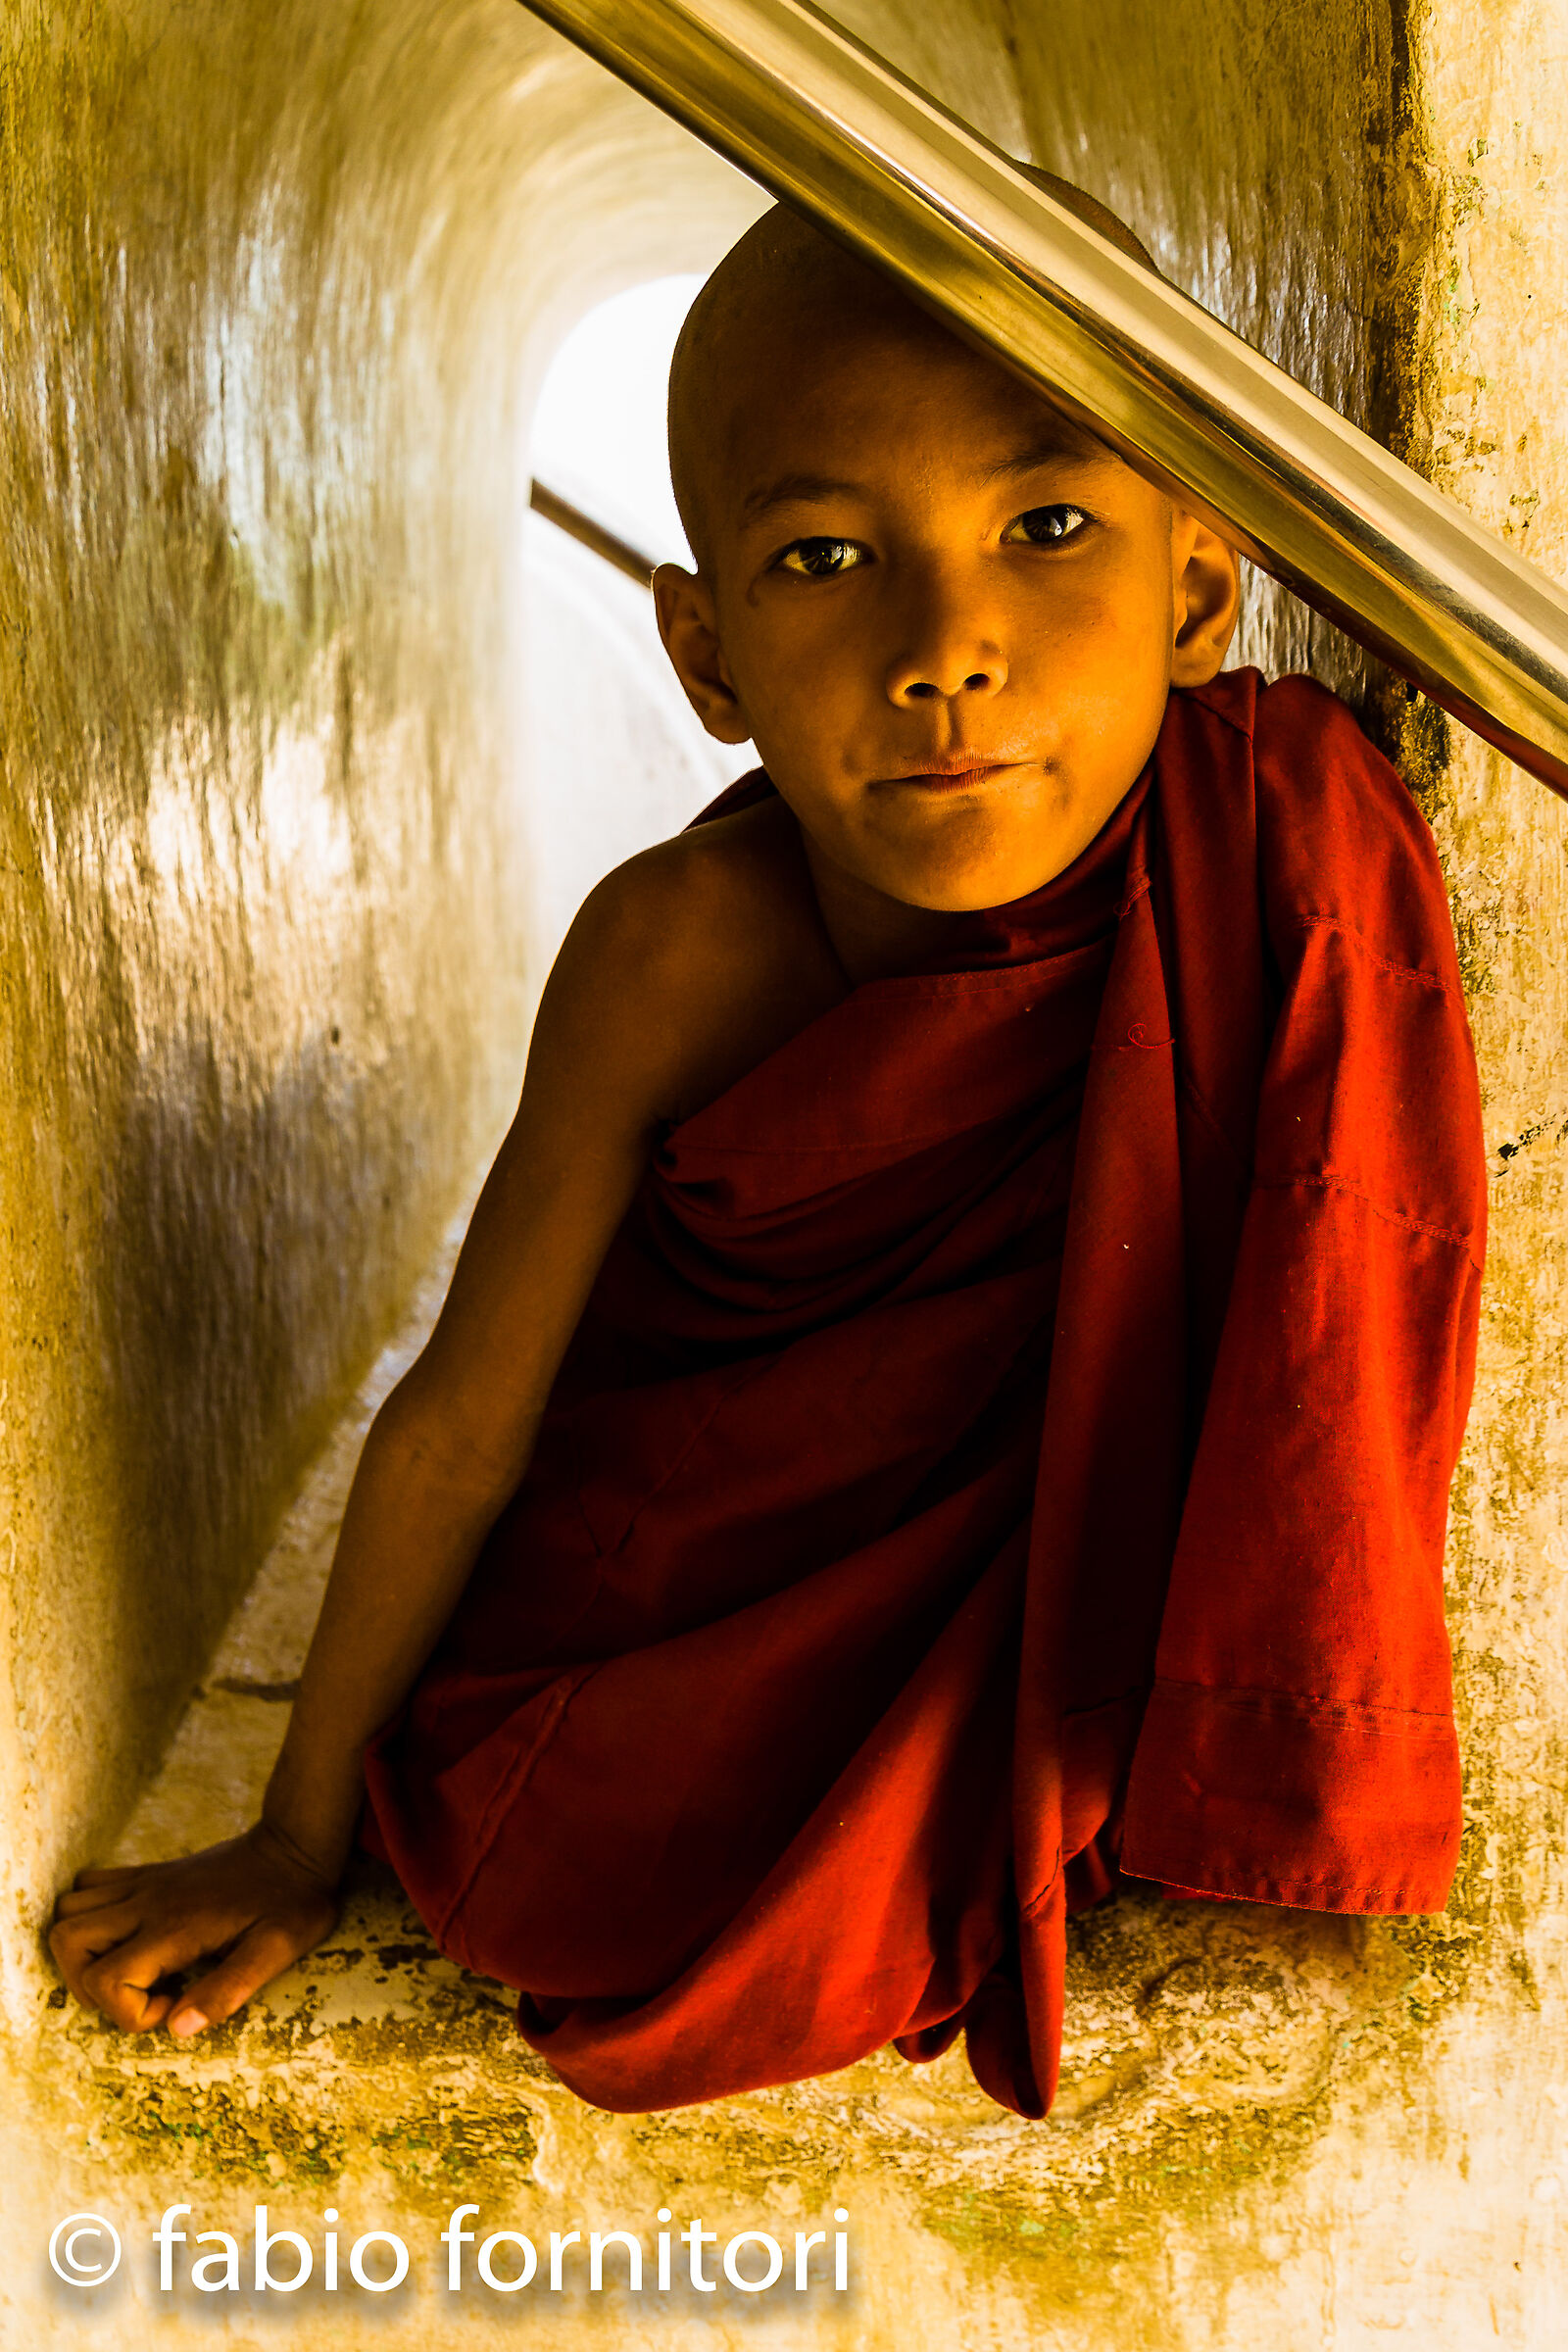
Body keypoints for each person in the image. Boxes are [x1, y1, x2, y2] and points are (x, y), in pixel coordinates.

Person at [50, 177, 1486, 2120]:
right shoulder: (675, 953)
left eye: (1044, 528)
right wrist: (296, 1837)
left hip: (1018, 1650)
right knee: (538, 1860)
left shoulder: (1267, 859)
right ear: (704, 655)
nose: (945, 647)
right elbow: (466, 1420)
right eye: (824, 560)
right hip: (667, 1643)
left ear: (1196, 588)